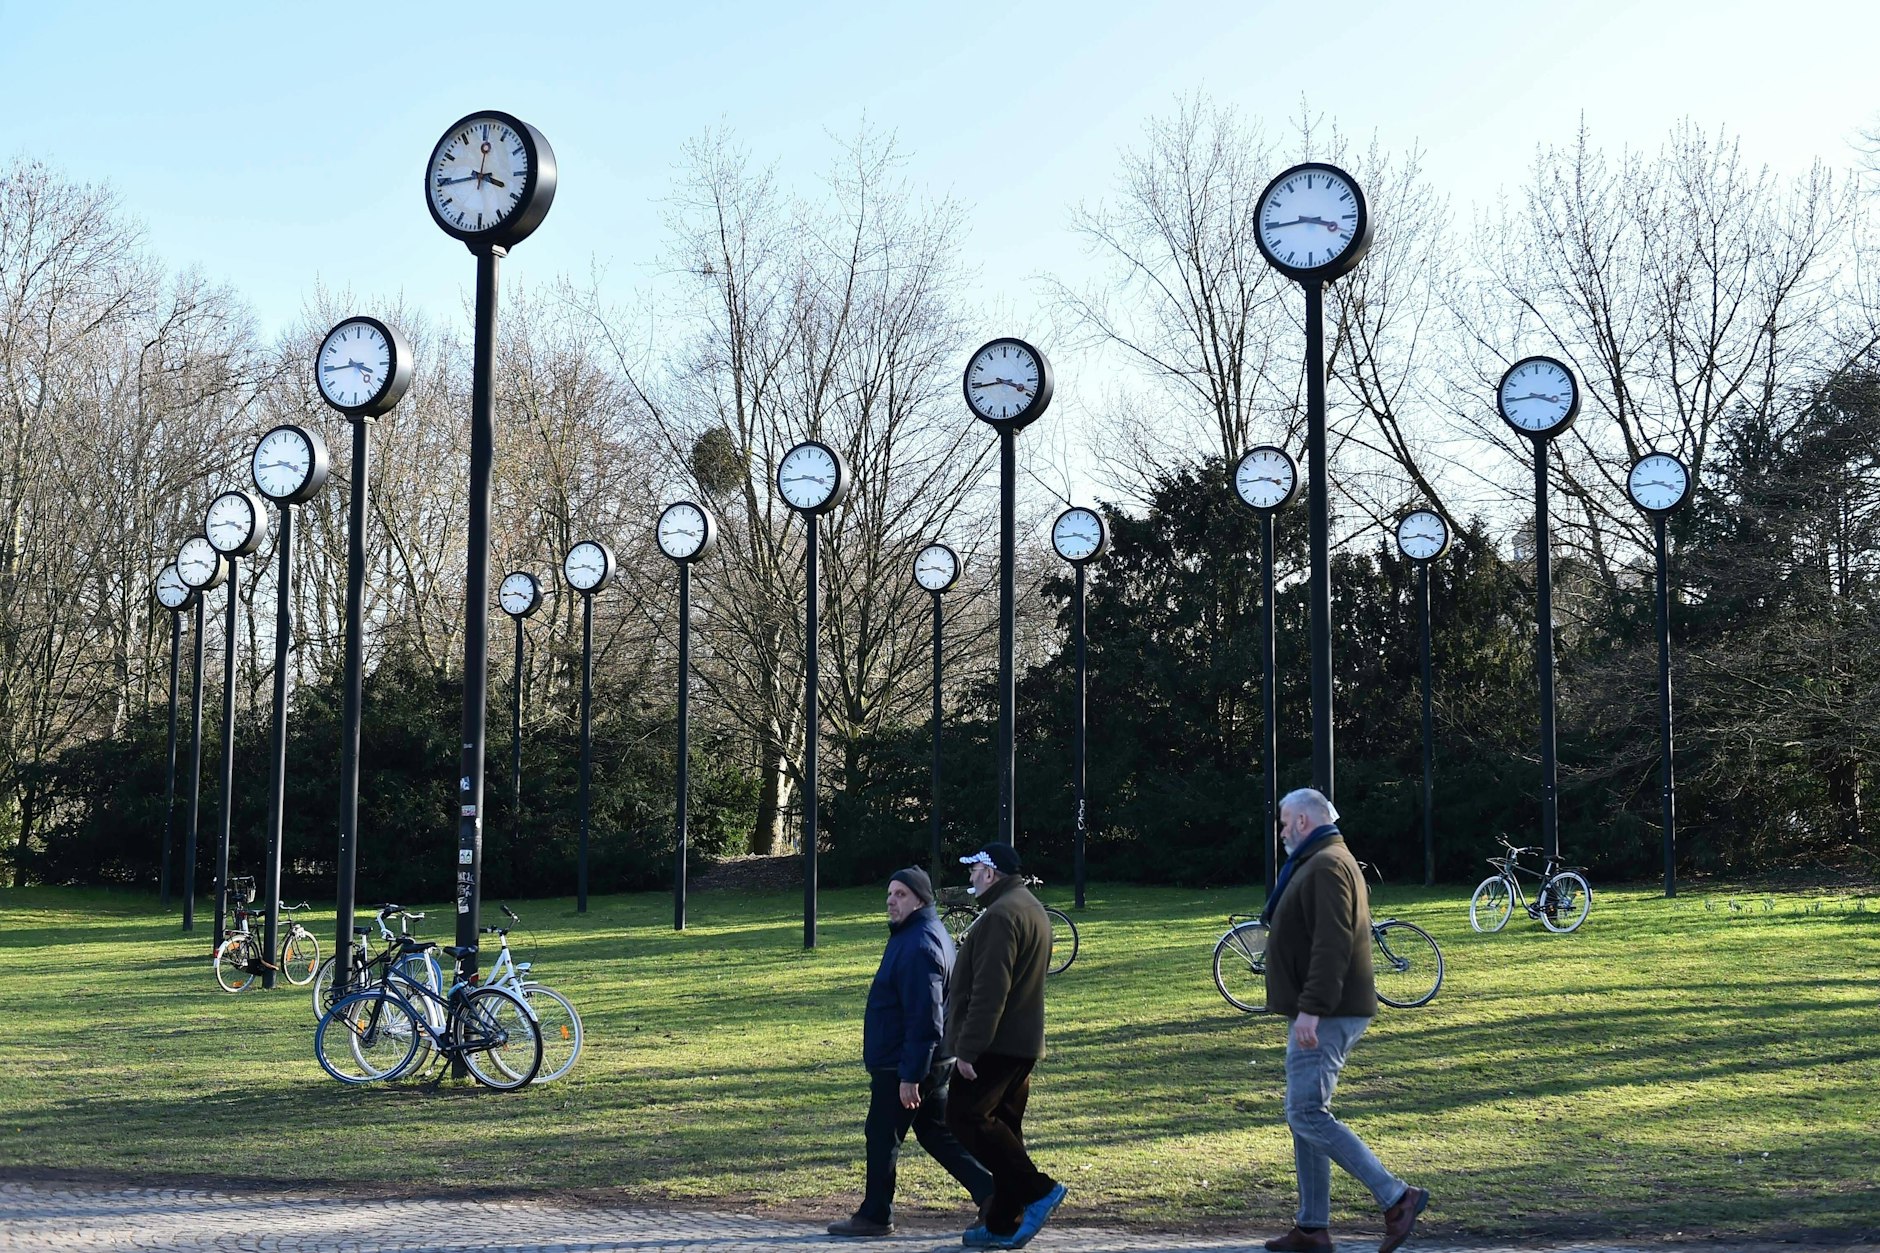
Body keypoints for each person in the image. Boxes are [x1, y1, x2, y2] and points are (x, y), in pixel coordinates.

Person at [1261, 788, 1429, 1253]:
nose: (1281, 831)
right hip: (1322, 1009)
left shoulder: (1328, 864)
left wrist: (1312, 1008)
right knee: (1304, 1115)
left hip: (1328, 1012)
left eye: (1283, 822)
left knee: (1306, 1113)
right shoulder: (1322, 859)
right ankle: (1312, 1229)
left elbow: (1333, 943)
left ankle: (1397, 1197)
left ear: (1302, 821)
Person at [827, 866, 992, 1238]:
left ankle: (875, 1215)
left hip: (905, 1061)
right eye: (890, 893)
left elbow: (924, 1017)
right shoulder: (920, 933)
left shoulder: (919, 944)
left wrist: (910, 1075)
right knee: (935, 1133)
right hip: (927, 1058)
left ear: (920, 900)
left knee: (882, 1135)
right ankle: (993, 1193)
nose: (891, 901)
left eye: (900, 894)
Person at [943, 842, 1066, 1249]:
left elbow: (990, 990)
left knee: (964, 1116)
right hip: (1022, 1042)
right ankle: (1002, 1223)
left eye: (974, 870)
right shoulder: (1030, 907)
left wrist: (968, 1048)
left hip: (996, 1043)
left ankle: (1039, 1190)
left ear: (990, 873)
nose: (971, 877)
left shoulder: (1000, 915)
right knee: (1005, 1129)